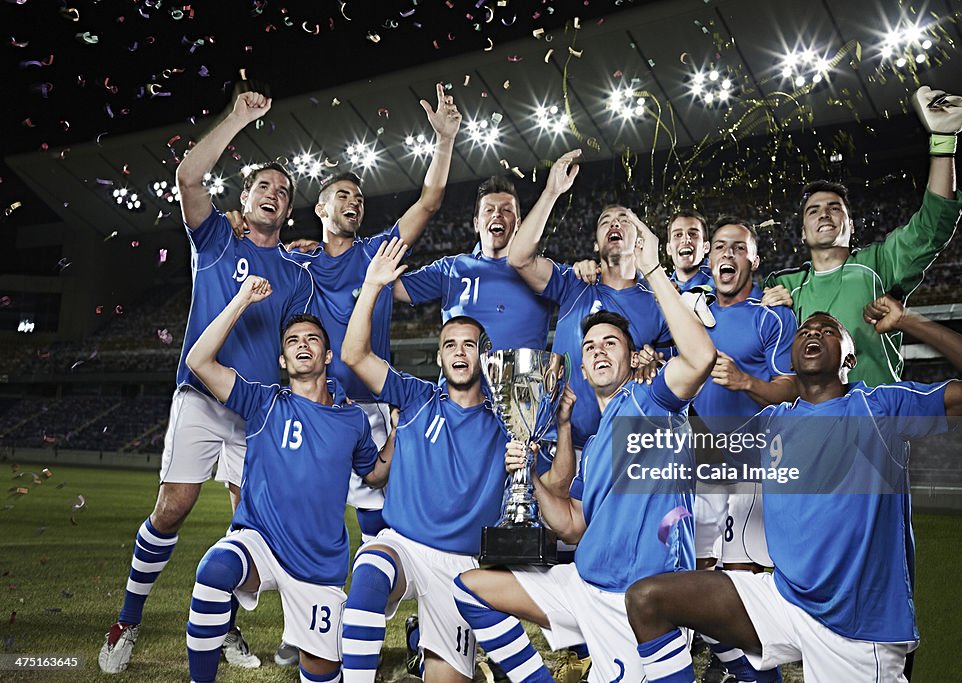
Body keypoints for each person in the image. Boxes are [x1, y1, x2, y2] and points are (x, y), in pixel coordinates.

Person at [623, 299, 962, 682]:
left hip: (856, 628)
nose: (812, 333)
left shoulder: (879, 409)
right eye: (804, 331)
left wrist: (908, 322)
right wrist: (671, 394)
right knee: (648, 599)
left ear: (849, 358)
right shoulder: (773, 421)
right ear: (792, 355)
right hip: (785, 599)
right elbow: (708, 457)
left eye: (828, 330)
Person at [99, 90, 314, 673]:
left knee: (249, 522)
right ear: (244, 198)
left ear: (289, 209)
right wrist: (240, 118)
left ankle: (223, 628)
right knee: (173, 507)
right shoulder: (218, 238)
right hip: (199, 394)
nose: (274, 194)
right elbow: (189, 175)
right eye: (264, 186)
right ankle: (128, 621)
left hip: (254, 409)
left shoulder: (294, 273)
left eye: (284, 191)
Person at [451, 218, 716, 683]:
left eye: (611, 343)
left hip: (640, 599)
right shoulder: (593, 447)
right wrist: (527, 480)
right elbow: (574, 523)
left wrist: (653, 270)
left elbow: (699, 359)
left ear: (634, 358)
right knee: (471, 588)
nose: (597, 350)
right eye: (589, 344)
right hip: (585, 586)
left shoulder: (652, 401)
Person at [265, 83, 460, 666]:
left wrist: (444, 140)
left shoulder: (377, 252)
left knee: (381, 530)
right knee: (309, 530)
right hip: (315, 413)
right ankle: (305, 629)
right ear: (320, 209)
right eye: (341, 196)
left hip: (372, 412)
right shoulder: (295, 262)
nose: (354, 201)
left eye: (358, 196)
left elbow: (428, 200)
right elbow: (246, 237)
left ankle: (390, 622)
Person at [182, 275, 380, 683]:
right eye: (292, 341)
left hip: (319, 566)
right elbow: (198, 361)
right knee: (215, 569)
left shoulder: (353, 419)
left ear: (327, 355)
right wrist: (240, 300)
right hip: (261, 543)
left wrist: (400, 433)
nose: (303, 344)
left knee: (321, 673)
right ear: (282, 361)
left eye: (312, 339)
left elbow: (375, 474)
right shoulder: (263, 402)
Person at [339, 238, 510, 683]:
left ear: (485, 356)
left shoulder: (508, 419)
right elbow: (354, 355)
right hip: (405, 546)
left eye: (468, 345)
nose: (458, 352)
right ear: (439, 356)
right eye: (449, 344)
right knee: (371, 569)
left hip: (462, 569)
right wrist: (374, 285)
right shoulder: (417, 397)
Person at [761, 85, 962, 387]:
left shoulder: (879, 263)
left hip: (877, 418)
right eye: (813, 210)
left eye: (835, 208)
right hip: (813, 424)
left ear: (852, 225)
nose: (824, 214)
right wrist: (764, 310)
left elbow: (932, 226)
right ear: (803, 234)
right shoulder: (783, 286)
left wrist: (944, 141)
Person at [509, 150, 706, 450]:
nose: (614, 223)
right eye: (605, 222)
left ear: (639, 239)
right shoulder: (574, 282)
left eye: (624, 220)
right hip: (562, 442)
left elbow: (682, 364)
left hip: (626, 446)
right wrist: (551, 192)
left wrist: (653, 363)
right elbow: (519, 258)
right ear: (596, 244)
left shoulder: (659, 300)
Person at [689, 217, 797, 683]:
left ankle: (758, 672)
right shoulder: (695, 315)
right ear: (709, 259)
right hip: (699, 461)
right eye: (718, 247)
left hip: (752, 464)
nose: (726, 254)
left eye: (738, 247)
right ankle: (721, 658)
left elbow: (791, 392)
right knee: (696, 568)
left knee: (740, 575)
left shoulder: (773, 316)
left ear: (753, 259)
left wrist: (745, 381)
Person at [395, 175, 556, 351]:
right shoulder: (451, 269)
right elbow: (392, 288)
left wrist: (584, 268)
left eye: (506, 210)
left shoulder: (541, 273)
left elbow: (581, 293)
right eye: (489, 210)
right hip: (461, 377)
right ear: (476, 224)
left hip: (522, 378)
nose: (497, 214)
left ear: (518, 224)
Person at [667, 210, 713, 293]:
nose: (685, 239)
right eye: (678, 235)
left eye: (693, 234)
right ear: (669, 248)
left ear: (706, 247)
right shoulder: (659, 290)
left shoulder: (722, 286)